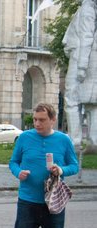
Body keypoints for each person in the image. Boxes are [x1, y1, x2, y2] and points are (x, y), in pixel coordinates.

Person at [6, 103, 79, 228]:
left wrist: (61, 170)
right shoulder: (25, 138)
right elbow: (13, 162)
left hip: (53, 203)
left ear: (52, 120)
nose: (37, 123)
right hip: (28, 201)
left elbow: (74, 165)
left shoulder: (63, 140)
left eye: (42, 120)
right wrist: (17, 172)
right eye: (35, 119)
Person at [62, 0, 97, 147]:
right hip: (89, 59)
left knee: (71, 100)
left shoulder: (87, 8)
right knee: (92, 104)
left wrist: (82, 66)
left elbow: (86, 36)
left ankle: (74, 140)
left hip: (80, 59)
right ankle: (94, 140)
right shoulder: (90, 7)